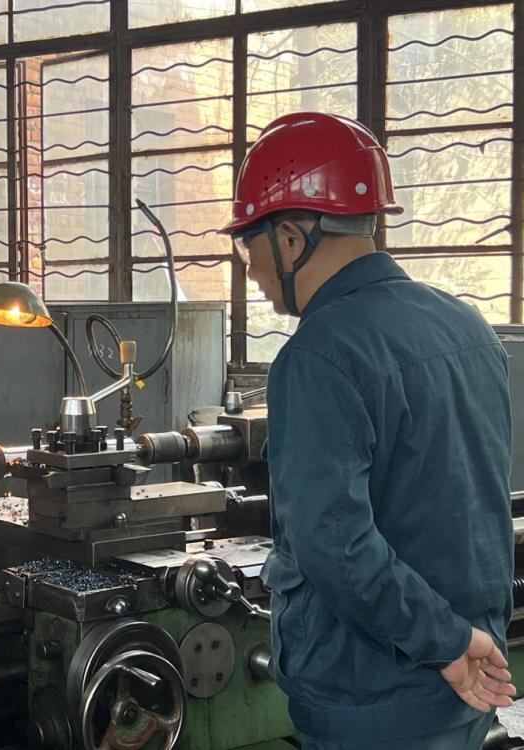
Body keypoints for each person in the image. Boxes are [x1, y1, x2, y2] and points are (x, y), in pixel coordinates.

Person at [220, 112, 516, 749]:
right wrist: (459, 639)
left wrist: (442, 640)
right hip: (470, 671)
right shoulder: (467, 326)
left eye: (248, 247)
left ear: (291, 237)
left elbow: (335, 547)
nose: (250, 270)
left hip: (374, 690)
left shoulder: (318, 355)